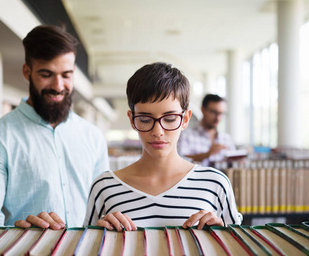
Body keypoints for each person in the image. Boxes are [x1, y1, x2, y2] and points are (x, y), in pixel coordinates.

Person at [0, 25, 109, 229]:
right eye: (46, 74)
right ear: (27, 72)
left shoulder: (93, 136)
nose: (58, 86)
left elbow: (104, 205)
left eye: (66, 75)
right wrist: (19, 233)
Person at [83, 63, 242, 231]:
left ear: (185, 119)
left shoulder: (215, 184)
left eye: (170, 118)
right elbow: (86, 251)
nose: (157, 131)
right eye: (145, 119)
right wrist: (97, 235)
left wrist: (223, 234)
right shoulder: (104, 187)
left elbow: (240, 252)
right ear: (132, 120)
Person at [177, 94, 236, 167]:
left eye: (221, 113)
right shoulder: (186, 135)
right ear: (203, 110)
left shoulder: (227, 139)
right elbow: (180, 160)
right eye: (214, 112)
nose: (218, 118)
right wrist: (207, 154)